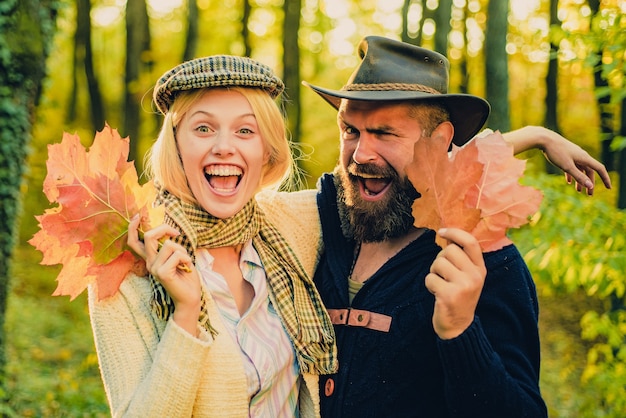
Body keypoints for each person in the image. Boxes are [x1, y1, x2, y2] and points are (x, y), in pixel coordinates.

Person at [257, 35, 610, 418]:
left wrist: (460, 331)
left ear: (440, 141)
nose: (360, 154)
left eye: (384, 133)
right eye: (350, 130)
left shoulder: (486, 261)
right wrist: (535, 136)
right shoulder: (325, 219)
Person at [87, 55, 337, 417]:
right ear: (176, 144)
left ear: (267, 151)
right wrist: (186, 315)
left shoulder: (292, 224)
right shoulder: (126, 266)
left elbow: (379, 194)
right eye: (203, 128)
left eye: (245, 131)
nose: (224, 146)